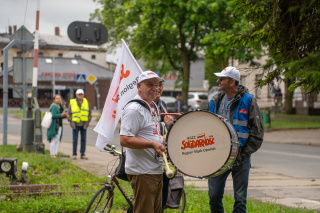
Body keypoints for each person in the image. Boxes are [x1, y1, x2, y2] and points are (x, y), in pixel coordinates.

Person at [208, 67, 264, 213]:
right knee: (214, 196)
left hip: (240, 157)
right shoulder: (215, 101)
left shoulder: (248, 100)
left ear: (232, 81)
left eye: (221, 79)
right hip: (217, 157)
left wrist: (244, 152)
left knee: (240, 199)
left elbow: (257, 130)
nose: (218, 81)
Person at [120, 71, 167, 213]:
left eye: (157, 85)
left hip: (155, 170)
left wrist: (164, 140)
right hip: (143, 172)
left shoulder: (151, 106)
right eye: (149, 84)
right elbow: (124, 139)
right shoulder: (134, 109)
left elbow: (151, 134)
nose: (155, 88)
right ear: (139, 86)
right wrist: (152, 145)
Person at [154, 78, 174, 212]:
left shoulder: (163, 104)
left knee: (162, 198)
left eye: (161, 85)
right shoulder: (146, 106)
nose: (159, 88)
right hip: (152, 158)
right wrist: (166, 124)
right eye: (156, 85)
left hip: (163, 159)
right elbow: (150, 131)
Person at [68, 89, 92, 160]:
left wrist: (88, 122)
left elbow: (89, 113)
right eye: (79, 94)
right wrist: (70, 121)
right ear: (76, 95)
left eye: (81, 94)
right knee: (75, 140)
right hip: (75, 125)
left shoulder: (86, 102)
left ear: (83, 95)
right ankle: (74, 154)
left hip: (84, 125)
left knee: (83, 140)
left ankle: (82, 154)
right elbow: (69, 113)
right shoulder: (72, 103)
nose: (80, 96)